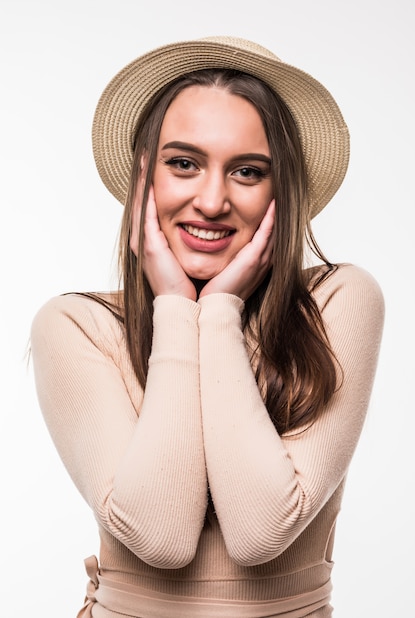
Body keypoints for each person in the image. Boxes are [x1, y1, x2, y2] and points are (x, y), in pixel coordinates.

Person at [30, 36, 384, 617]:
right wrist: (176, 308)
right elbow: (161, 538)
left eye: (247, 171)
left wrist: (218, 312)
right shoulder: (78, 325)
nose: (212, 200)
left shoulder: (339, 301)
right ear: (147, 180)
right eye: (184, 164)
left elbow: (261, 533)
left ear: (282, 191)